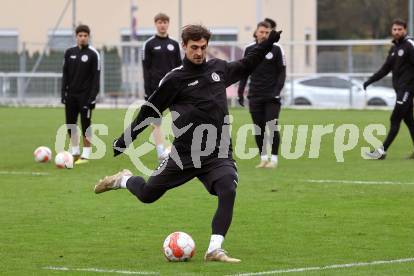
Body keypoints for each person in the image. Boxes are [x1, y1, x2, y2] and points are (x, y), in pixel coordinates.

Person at [94, 24, 282, 263]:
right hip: (183, 155)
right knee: (147, 195)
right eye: (194, 47)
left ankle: (215, 249)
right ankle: (123, 180)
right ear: (184, 46)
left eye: (203, 47)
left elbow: (248, 64)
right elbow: (149, 111)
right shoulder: (174, 80)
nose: (199, 52)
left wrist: (267, 43)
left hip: (218, 152)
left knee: (228, 188)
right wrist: (126, 139)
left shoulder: (218, 69)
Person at [363, 19, 414, 160]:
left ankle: (381, 152)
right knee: (409, 120)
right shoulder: (394, 49)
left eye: (400, 29)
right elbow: (385, 69)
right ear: (391, 31)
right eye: (395, 29)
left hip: (407, 89)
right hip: (399, 89)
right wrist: (370, 80)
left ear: (405, 30)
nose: (397, 32)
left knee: (395, 118)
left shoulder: (410, 45)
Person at [237, 21, 286, 168]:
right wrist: (240, 92)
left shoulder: (277, 49)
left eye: (267, 32)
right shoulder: (249, 49)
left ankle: (274, 160)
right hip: (255, 95)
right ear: (256, 32)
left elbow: (282, 72)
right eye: (262, 32)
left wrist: (277, 91)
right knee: (259, 128)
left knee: (272, 125)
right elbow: (244, 72)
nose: (264, 35)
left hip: (271, 96)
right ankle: (264, 158)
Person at [142, 13, 182, 161]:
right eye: (160, 22)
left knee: (179, 119)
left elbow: (180, 68)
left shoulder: (174, 44)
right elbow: (146, 70)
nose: (162, 24)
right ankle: (161, 152)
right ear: (155, 24)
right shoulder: (149, 44)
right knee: (156, 122)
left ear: (168, 24)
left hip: (174, 89)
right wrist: (148, 92)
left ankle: (178, 149)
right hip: (155, 90)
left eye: (165, 22)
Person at [61, 24, 100, 164]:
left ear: (88, 37)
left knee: (85, 124)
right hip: (71, 95)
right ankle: (75, 150)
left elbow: (96, 78)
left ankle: (87, 153)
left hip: (86, 96)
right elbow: (65, 74)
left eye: (85, 36)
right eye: (80, 36)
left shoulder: (93, 54)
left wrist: (93, 97)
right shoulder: (69, 52)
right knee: (70, 123)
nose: (82, 38)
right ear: (76, 37)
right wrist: (63, 93)